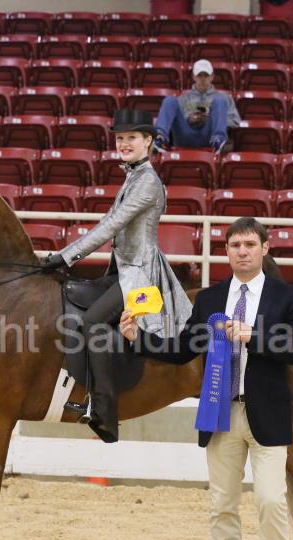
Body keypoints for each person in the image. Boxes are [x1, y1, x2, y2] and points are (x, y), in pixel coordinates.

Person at [119, 217, 293, 540]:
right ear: (226, 251)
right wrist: (139, 339)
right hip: (220, 412)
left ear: (265, 248)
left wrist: (252, 336)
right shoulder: (210, 299)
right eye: (235, 245)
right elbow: (183, 349)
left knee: (271, 501)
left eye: (249, 244)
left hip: (267, 415)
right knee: (222, 503)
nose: (242, 252)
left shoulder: (287, 297)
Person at [41, 108, 192, 443]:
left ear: (148, 141)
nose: (123, 143)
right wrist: (64, 256)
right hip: (122, 270)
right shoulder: (133, 176)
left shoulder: (147, 181)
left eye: (131, 138)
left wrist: (66, 256)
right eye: (120, 138)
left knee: (93, 321)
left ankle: (104, 409)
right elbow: (107, 222)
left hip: (142, 277)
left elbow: (112, 225)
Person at [153, 59, 241, 153]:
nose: (203, 79)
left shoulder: (224, 98)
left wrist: (212, 119)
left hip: (209, 134)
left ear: (212, 77)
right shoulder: (183, 98)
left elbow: (236, 121)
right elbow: (174, 119)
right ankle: (160, 138)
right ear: (194, 77)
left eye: (206, 75)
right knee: (169, 100)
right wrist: (188, 118)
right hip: (185, 134)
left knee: (219, 100)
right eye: (199, 75)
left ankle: (218, 141)